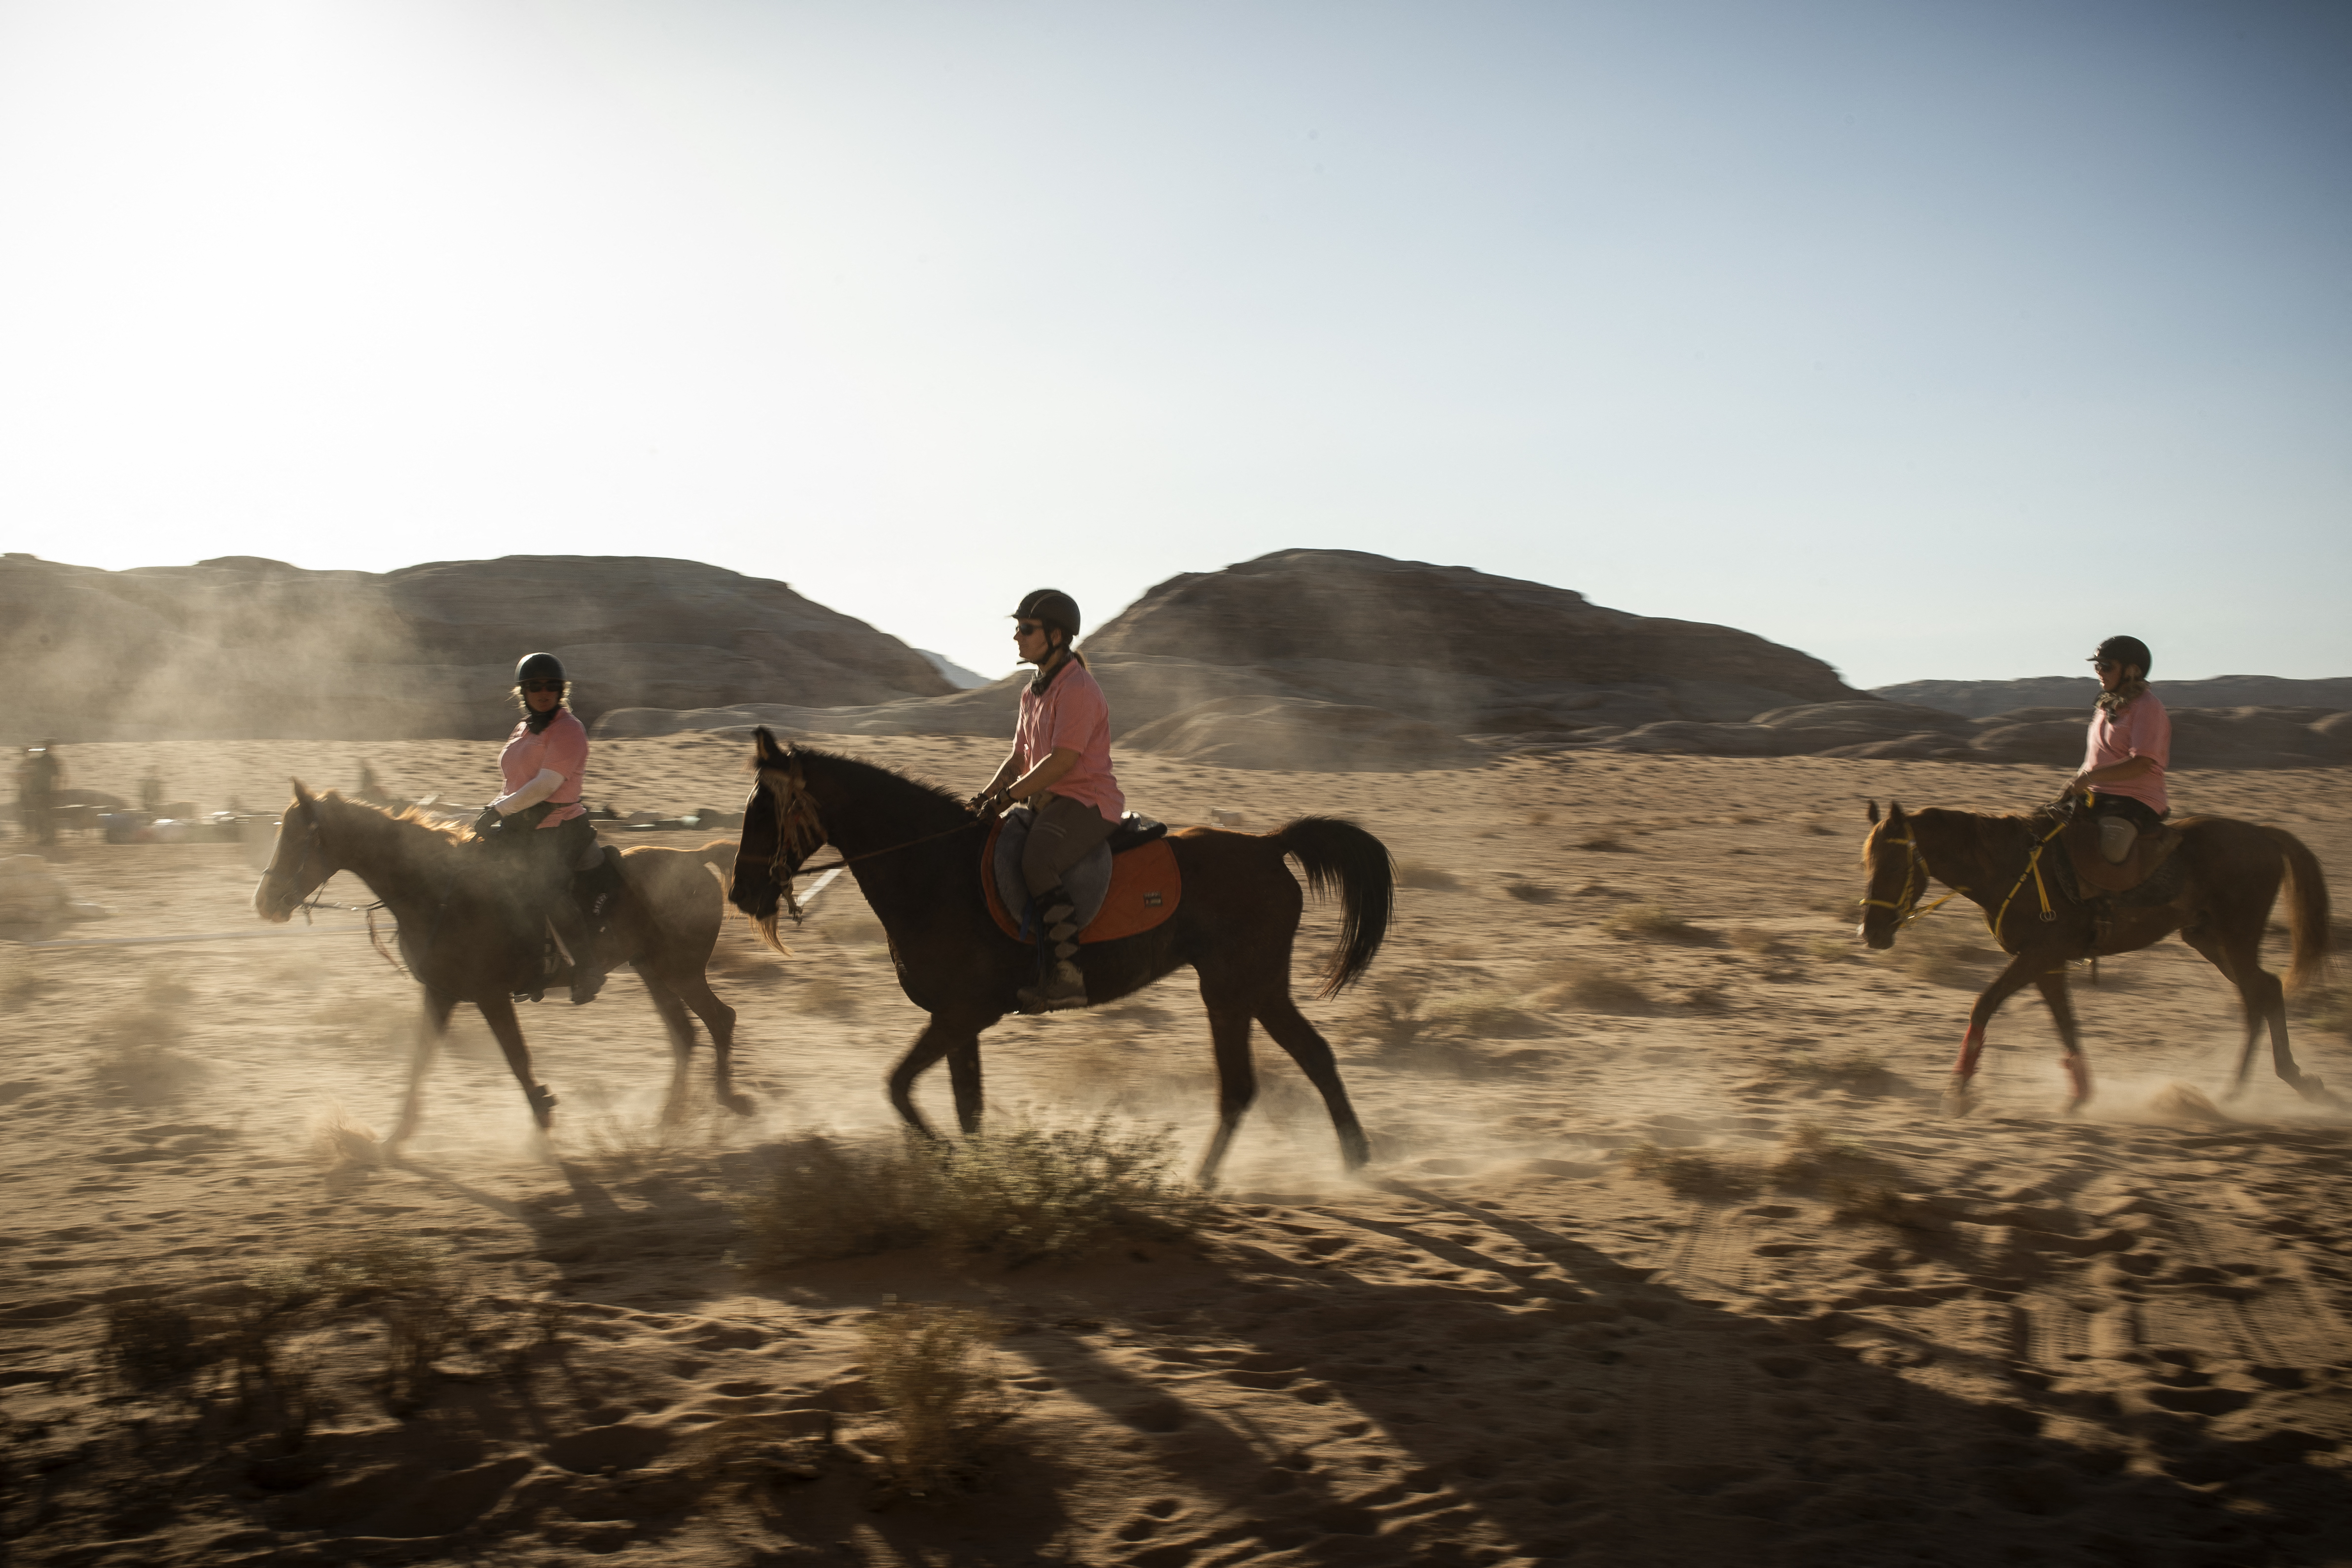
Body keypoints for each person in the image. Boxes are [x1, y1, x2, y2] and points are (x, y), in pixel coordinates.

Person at [966, 589, 1125, 1013]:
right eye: (1017, 629)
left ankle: (1067, 976)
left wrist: (1007, 798)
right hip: (1048, 801)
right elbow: (1019, 757)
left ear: (1055, 636)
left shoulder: (1077, 689)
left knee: (1038, 861)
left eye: (1025, 629)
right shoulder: (1032, 691)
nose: (1017, 637)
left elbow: (1063, 761)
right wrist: (983, 800)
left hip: (1086, 801)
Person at [474, 653, 607, 1003]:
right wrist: (491, 809)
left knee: (543, 889)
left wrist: (498, 811)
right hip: (522, 824)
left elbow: (546, 785)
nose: (544, 691)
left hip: (560, 827)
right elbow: (513, 782)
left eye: (551, 686)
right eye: (535, 686)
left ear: (562, 690)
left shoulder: (568, 729)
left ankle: (585, 967)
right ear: (523, 691)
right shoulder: (522, 727)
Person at [2067, 635, 2171, 865]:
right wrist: (2076, 783)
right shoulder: (2106, 707)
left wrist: (2089, 778)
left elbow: (2141, 763)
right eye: (2097, 666)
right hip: (2095, 796)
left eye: (2106, 666)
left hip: (2134, 800)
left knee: (2111, 852)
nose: (2099, 672)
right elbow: (2095, 759)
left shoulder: (2147, 707)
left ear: (2131, 670)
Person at [17, 740, 62, 845]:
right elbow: (57, 775)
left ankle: (47, 838)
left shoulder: (43, 760)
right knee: (45, 815)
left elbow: (28, 766)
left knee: (43, 815)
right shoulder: (49, 760)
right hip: (44, 792)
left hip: (41, 792)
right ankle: (48, 838)